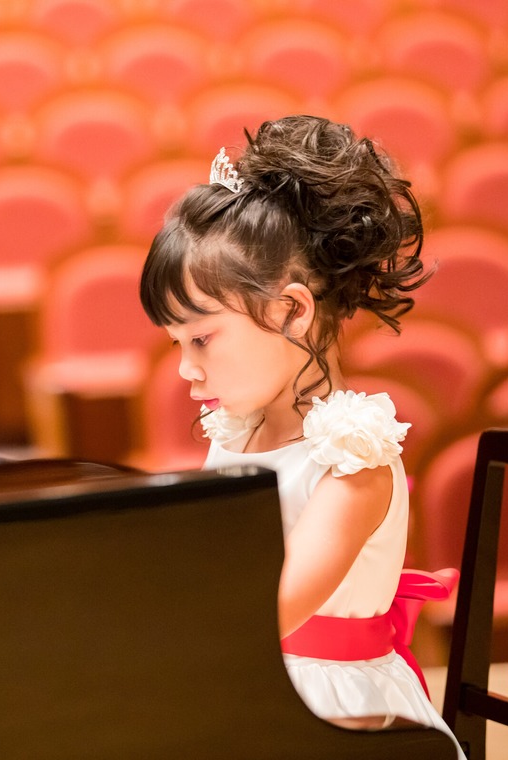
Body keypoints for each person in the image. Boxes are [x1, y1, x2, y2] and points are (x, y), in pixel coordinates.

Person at [139, 114, 462, 752]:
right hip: (254, 683)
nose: (185, 369)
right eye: (176, 343)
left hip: (335, 711)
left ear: (291, 310)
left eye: (201, 338)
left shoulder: (355, 461)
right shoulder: (237, 432)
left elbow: (265, 613)